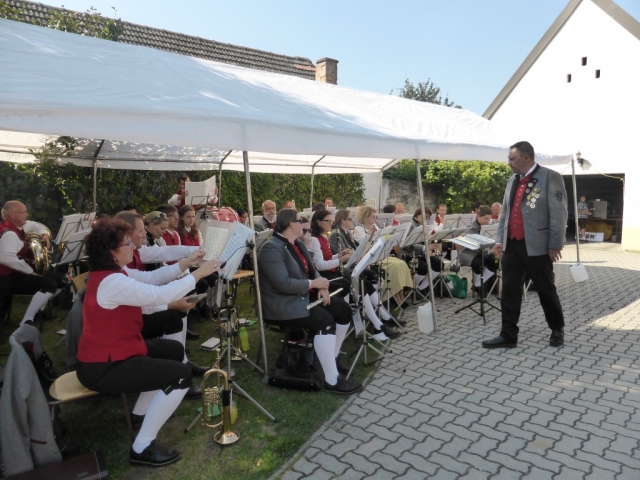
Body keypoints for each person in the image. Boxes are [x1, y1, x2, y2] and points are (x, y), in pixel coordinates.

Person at [77, 217, 221, 467]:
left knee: (173, 350)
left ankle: (140, 413)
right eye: (126, 243)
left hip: (117, 352)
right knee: (181, 376)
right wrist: (198, 273)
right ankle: (141, 447)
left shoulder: (113, 274)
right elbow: (159, 294)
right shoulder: (111, 281)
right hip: (103, 366)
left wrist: (186, 263)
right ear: (111, 252)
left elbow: (153, 279)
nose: (133, 247)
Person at [257, 209, 362, 394]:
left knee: (343, 310)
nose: (305, 227)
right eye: (300, 222)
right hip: (283, 305)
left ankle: (332, 357)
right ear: (291, 224)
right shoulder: (271, 248)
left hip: (302, 296)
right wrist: (314, 284)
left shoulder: (297, 243)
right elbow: (283, 284)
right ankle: (332, 380)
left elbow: (313, 270)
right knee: (325, 322)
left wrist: (322, 286)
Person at [482, 141, 567, 349]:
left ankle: (557, 328)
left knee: (545, 289)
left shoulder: (550, 177)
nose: (509, 162)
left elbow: (559, 213)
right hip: (512, 245)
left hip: (538, 246)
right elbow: (505, 212)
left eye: (512, 159)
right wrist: (499, 241)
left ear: (526, 158)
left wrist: (555, 243)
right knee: (509, 291)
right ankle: (508, 335)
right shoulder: (512, 180)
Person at [310, 210, 398, 340]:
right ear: (318, 222)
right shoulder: (314, 239)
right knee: (359, 285)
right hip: (325, 276)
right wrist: (340, 259)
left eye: (331, 221)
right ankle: (378, 325)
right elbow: (319, 265)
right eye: (327, 221)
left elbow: (327, 257)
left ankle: (380, 321)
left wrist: (339, 255)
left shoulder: (323, 237)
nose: (330, 223)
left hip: (332, 272)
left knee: (364, 284)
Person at [0, 201, 62, 325]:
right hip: (5, 278)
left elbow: (35, 225)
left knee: (61, 281)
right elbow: (5, 258)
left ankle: (39, 309)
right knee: (49, 285)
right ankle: (27, 320)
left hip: (17, 273)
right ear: (11, 214)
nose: (26, 214)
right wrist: (30, 271)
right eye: (23, 212)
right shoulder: (9, 234)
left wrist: (44, 235)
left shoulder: (19, 227)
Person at [353, 206, 413, 306]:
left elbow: (383, 239)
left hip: (380, 254)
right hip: (370, 258)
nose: (375, 219)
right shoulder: (359, 229)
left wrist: (389, 235)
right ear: (366, 217)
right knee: (394, 266)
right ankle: (396, 297)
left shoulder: (375, 227)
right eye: (373, 216)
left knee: (401, 263)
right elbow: (364, 246)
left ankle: (400, 295)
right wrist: (372, 236)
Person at [458, 205, 499, 294]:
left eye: (489, 219)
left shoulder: (488, 226)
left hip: (483, 252)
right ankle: (479, 286)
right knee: (478, 263)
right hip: (469, 253)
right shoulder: (470, 228)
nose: (487, 221)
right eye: (485, 219)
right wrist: (489, 251)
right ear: (478, 216)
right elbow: (475, 246)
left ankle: (477, 284)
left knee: (495, 261)